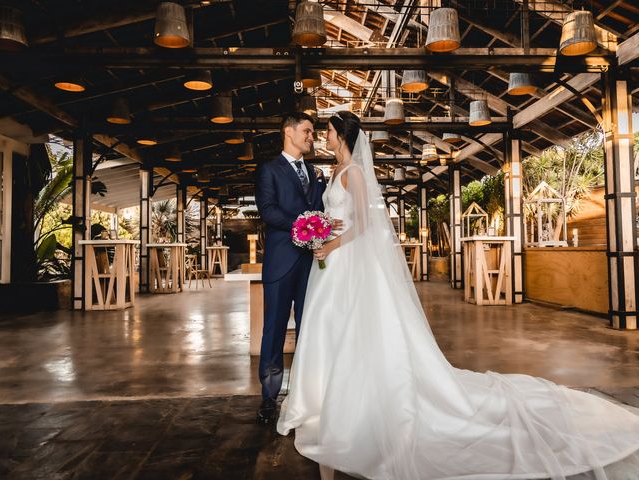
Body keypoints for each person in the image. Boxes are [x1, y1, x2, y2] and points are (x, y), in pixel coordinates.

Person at [277, 111, 639, 479]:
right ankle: (326, 398)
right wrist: (323, 229)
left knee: (357, 326)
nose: (324, 134)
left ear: (341, 135)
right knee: (332, 327)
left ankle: (360, 401)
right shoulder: (334, 173)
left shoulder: (354, 172)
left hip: (346, 259)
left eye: (328, 130)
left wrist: (333, 242)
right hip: (333, 263)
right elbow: (341, 214)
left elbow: (366, 224)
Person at [254, 112, 329, 424]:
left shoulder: (314, 173)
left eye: (312, 133)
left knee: (308, 328)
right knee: (273, 329)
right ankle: (269, 396)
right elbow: (268, 210)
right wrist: (303, 225)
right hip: (281, 261)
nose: (312, 138)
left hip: (310, 262)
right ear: (289, 131)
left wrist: (322, 225)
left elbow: (319, 208)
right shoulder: (268, 170)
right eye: (308, 132)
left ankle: (303, 393)